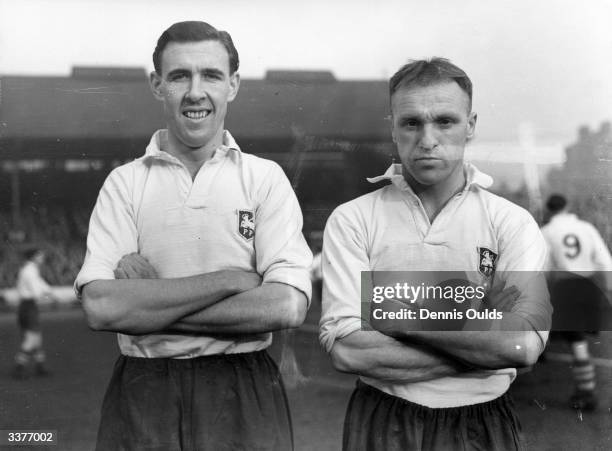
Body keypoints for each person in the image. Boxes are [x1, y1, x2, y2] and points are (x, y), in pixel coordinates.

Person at [75, 21, 312, 451]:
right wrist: (231, 281)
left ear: (234, 85)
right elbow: (101, 307)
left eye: (211, 75)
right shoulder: (124, 183)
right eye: (180, 75)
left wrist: (149, 303)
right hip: (145, 387)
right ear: (157, 84)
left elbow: (286, 304)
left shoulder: (264, 179)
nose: (195, 92)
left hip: (243, 385)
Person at [320, 58, 551, 450]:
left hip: (482, 418)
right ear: (393, 126)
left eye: (445, 121)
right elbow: (347, 352)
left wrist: (402, 319)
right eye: (412, 123)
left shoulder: (511, 222)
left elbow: (523, 345)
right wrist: (479, 346)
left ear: (471, 125)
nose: (427, 138)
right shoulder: (352, 219)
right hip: (384, 415)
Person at [541, 194, 612, 411]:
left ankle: (587, 392)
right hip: (588, 286)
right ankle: (586, 389)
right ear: (568, 206)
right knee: (578, 338)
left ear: (549, 210)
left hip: (566, 287)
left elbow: (542, 268)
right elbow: (604, 260)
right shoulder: (586, 227)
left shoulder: (546, 232)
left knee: (576, 340)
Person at [13, 248, 55, 379]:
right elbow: (38, 293)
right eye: (40, 255)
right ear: (34, 257)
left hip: (25, 306)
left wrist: (49, 291)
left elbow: (42, 285)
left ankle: (40, 366)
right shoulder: (30, 271)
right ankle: (19, 367)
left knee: (36, 339)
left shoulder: (29, 269)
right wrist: (50, 297)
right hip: (29, 307)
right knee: (31, 339)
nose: (42, 257)